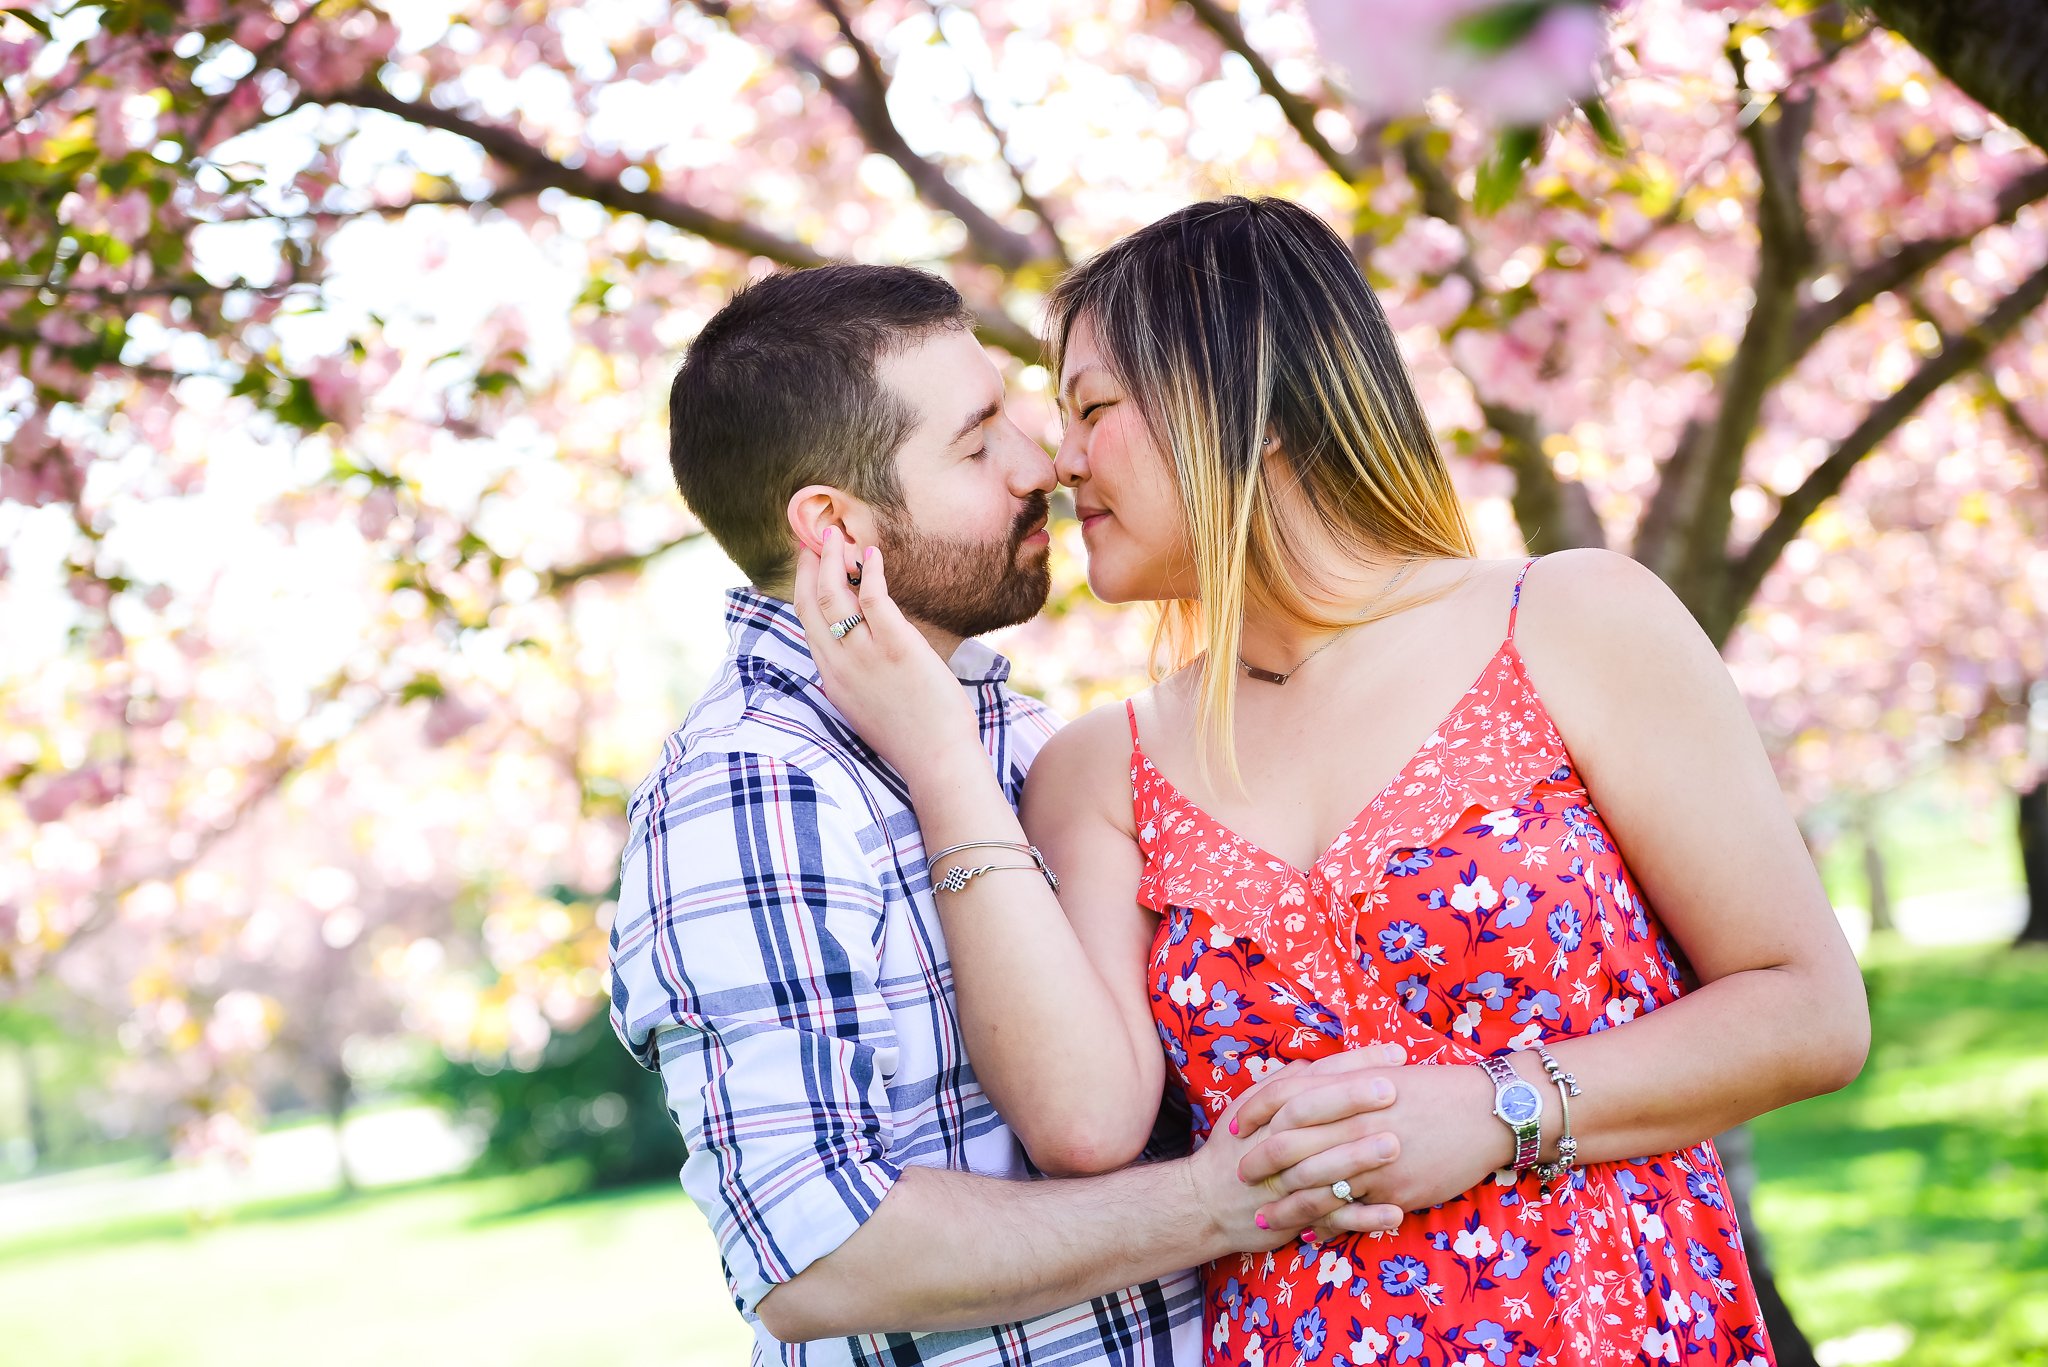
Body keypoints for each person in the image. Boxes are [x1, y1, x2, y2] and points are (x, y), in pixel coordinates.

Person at [793, 198, 1871, 1366]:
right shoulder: (1099, 770)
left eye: (1092, 407)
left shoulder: (1568, 621)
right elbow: (1083, 1123)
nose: (1057, 459)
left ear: (1242, 404)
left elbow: (1807, 1007)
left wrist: (1499, 1108)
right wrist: (941, 756)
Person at [606, 262, 1392, 1367]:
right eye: (978, 445)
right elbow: (815, 1252)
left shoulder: (1022, 738)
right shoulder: (752, 788)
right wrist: (1219, 1204)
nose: (1044, 465)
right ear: (832, 524)